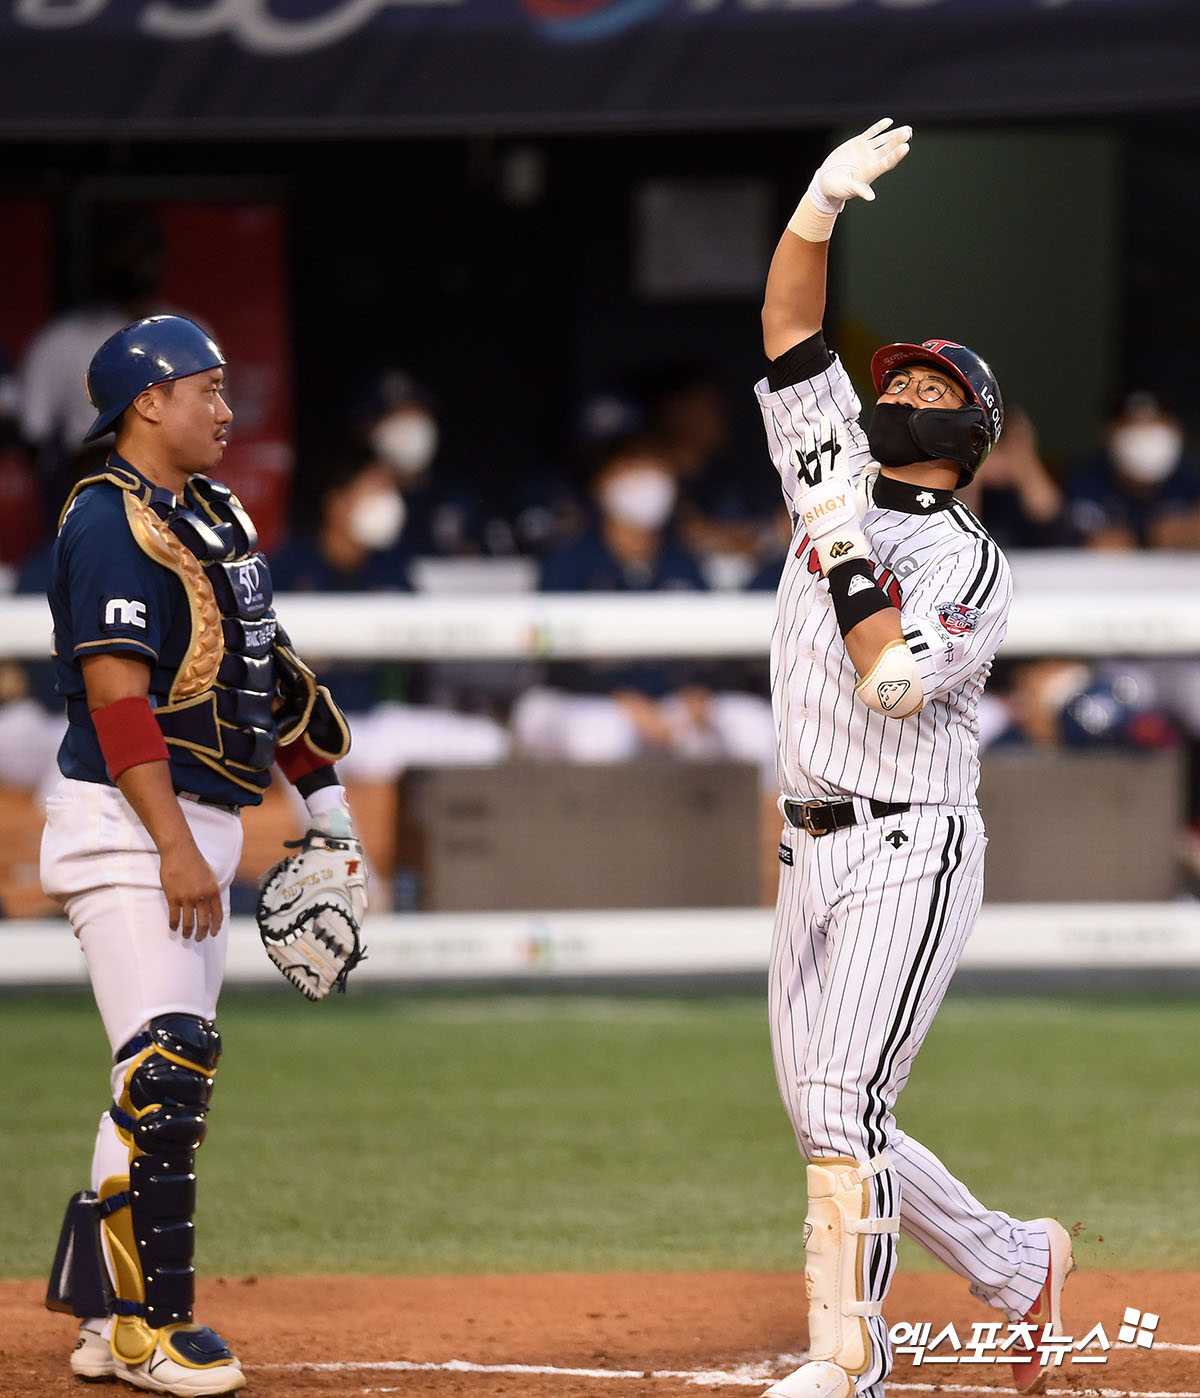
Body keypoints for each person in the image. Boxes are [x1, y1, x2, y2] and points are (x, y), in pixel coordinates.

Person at [753, 122, 1073, 1398]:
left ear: (977, 426)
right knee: (830, 1116)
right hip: (807, 838)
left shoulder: (966, 558)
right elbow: (789, 327)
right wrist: (821, 204)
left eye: (939, 389)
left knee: (839, 1103)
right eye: (905, 380)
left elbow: (893, 681)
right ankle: (1017, 1263)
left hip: (909, 837)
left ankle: (851, 1362)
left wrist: (836, 543)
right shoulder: (829, 455)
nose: (910, 393)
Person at [39, 315, 364, 1396]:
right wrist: (174, 846)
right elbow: (118, 702)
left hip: (196, 825)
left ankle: (101, 1321)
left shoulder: (213, 515)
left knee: (153, 1078)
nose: (227, 409)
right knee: (166, 1067)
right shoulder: (105, 521)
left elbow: (269, 676)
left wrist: (329, 810)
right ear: (147, 402)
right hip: (131, 825)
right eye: (207, 390)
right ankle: (151, 1331)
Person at [512, 435, 775, 780]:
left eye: (654, 465)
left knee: (756, 730)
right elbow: (551, 662)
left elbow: (715, 649)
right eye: (633, 466)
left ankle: (773, 834)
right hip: (583, 699)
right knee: (601, 738)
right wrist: (621, 698)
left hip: (666, 700)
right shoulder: (569, 561)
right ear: (604, 481)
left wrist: (702, 689)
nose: (647, 479)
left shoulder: (682, 561)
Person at [270, 451, 509, 784]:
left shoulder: (391, 568)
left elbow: (424, 652)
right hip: (302, 729)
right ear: (337, 503)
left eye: (390, 491)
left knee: (487, 743)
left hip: (375, 723)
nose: (387, 502)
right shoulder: (285, 569)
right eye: (375, 491)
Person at [1063, 389, 1200, 549]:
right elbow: (1063, 539)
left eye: (1155, 424)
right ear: (1109, 432)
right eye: (1135, 427)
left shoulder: (1188, 479)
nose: (1146, 438)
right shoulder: (1084, 480)